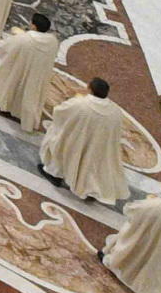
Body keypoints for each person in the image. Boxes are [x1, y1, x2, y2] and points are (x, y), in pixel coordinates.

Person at [42, 76, 132, 205]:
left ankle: (55, 173)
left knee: (61, 139)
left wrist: (72, 98)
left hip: (78, 139)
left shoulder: (81, 103)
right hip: (100, 144)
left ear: (90, 89)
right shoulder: (116, 110)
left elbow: (59, 112)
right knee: (92, 164)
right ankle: (90, 188)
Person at [0, 9, 62, 130]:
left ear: (33, 25)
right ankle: (23, 113)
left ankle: (5, 106)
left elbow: (5, 47)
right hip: (37, 74)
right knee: (29, 93)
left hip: (20, 70)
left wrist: (12, 38)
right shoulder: (52, 42)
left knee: (12, 85)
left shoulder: (24, 39)